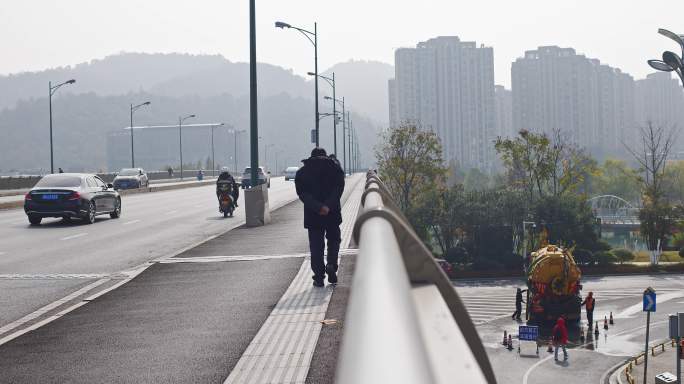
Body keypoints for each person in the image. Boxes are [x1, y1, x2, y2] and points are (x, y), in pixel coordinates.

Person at [295, 147, 345, 287]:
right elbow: (339, 189)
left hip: (313, 214)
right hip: (332, 212)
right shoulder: (335, 169)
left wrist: (318, 207)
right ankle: (331, 264)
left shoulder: (302, 172)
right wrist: (328, 206)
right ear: (325, 155)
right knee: (334, 240)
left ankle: (318, 276)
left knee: (316, 246)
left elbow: (303, 194)